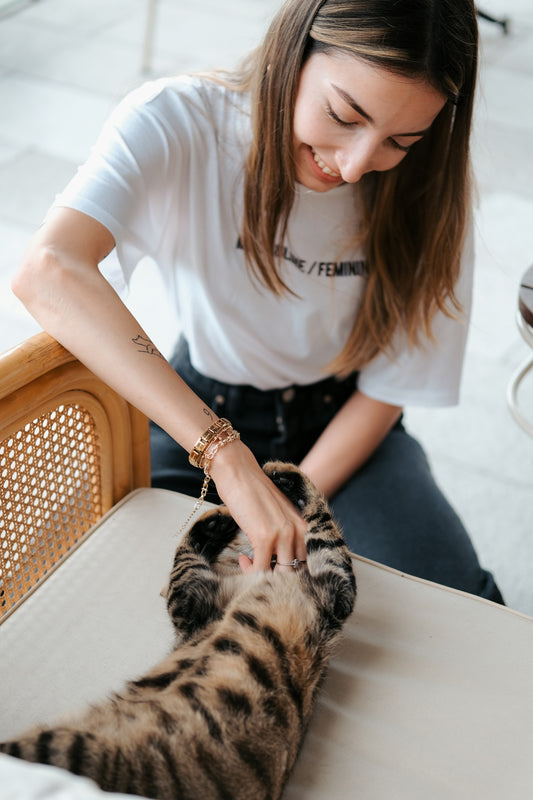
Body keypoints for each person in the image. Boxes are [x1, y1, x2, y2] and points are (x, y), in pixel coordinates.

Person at [12, 0, 503, 602]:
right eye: (343, 115)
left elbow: (390, 388)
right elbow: (49, 270)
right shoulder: (177, 119)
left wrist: (290, 505)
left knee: (453, 602)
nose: (354, 167)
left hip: (343, 421)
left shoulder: (434, 192)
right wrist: (228, 460)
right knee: (113, 592)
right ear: (293, 50)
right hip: (201, 409)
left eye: (401, 141)